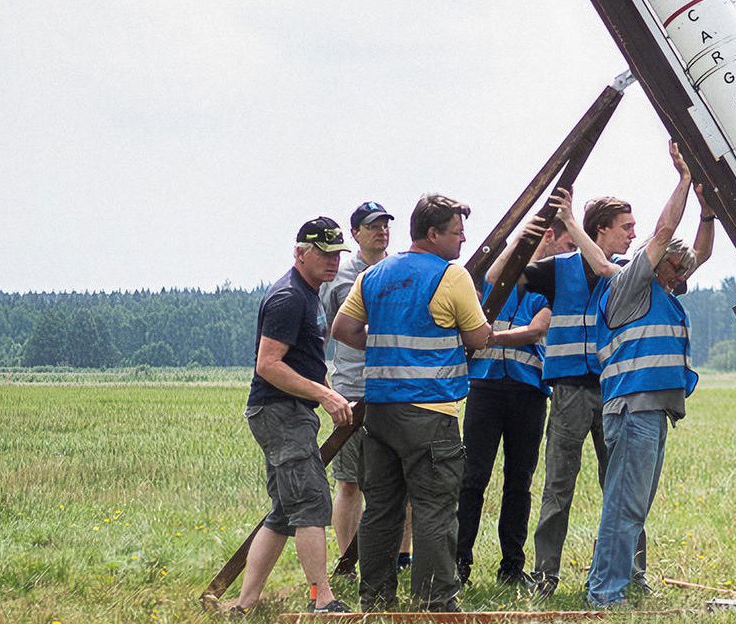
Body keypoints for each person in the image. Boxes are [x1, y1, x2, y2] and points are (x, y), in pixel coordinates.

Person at [329, 194, 541, 611]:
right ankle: (434, 600)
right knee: (435, 508)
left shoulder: (374, 275)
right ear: (433, 234)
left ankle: (375, 598)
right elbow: (479, 337)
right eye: (456, 232)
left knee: (381, 509)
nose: (463, 240)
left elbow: (344, 328)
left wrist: (388, 347)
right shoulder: (451, 276)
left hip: (381, 411)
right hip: (430, 411)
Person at [583, 147, 707, 607]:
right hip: (634, 410)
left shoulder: (660, 289)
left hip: (650, 411)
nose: (683, 276)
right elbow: (665, 231)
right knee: (623, 504)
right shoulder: (632, 283)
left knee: (634, 506)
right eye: (677, 268)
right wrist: (683, 181)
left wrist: (708, 214)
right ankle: (605, 592)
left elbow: (697, 249)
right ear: (656, 264)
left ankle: (622, 581)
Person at [520, 185, 645, 593]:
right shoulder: (559, 269)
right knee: (559, 484)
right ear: (600, 230)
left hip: (614, 390)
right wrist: (537, 234)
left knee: (623, 485)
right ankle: (545, 573)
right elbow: (503, 276)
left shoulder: (627, 271)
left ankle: (631, 573)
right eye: (625, 227)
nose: (632, 234)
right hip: (570, 391)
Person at [231, 217, 357, 615]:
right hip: (279, 411)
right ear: (300, 253)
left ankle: (245, 603)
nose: (332, 261)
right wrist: (324, 394)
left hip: (287, 411)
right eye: (323, 252)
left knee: (285, 511)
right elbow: (268, 365)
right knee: (311, 502)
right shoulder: (289, 297)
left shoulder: (310, 294)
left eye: (336, 253)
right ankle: (323, 599)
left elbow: (305, 360)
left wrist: (326, 390)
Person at [454, 195, 567, 587]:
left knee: (519, 482)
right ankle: (459, 564)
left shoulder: (552, 284)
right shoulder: (502, 274)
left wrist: (489, 338)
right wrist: (521, 238)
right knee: (473, 478)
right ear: (549, 237)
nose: (568, 255)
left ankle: (511, 567)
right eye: (565, 246)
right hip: (485, 387)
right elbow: (491, 280)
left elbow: (538, 329)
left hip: (528, 392)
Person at [318, 201, 394, 573]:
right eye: (372, 226)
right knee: (349, 480)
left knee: (399, 480)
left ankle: (400, 558)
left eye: (384, 225)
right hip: (353, 384)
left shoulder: (399, 270)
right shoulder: (341, 277)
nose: (381, 231)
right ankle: (347, 560)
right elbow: (332, 328)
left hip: (395, 385)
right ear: (355, 235)